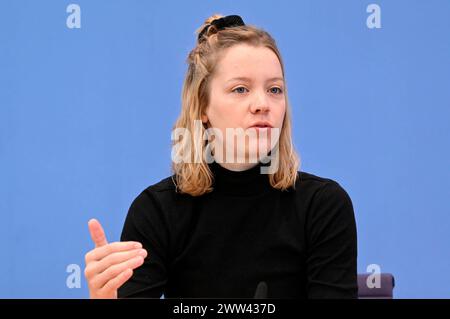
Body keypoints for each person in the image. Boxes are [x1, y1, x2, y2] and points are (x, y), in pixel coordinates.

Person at [84, 14, 358, 299]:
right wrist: (104, 297)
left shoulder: (323, 206)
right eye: (240, 89)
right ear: (202, 106)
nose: (262, 104)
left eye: (275, 89)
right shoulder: (156, 211)